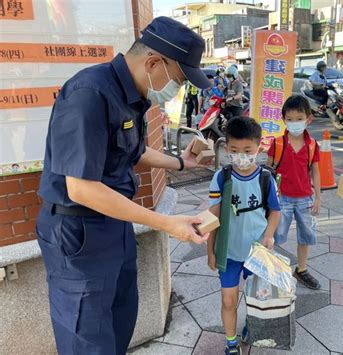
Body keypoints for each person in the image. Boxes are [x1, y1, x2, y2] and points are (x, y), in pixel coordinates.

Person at [36, 17, 212, 355]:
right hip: (76, 231)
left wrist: (180, 163)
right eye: (178, 79)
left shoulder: (133, 94)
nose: (177, 90)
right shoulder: (89, 94)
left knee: (119, 320)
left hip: (114, 223)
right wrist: (166, 223)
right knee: (86, 337)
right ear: (153, 62)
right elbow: (82, 188)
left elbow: (133, 150)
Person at [207, 117, 281, 355]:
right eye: (234, 150)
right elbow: (213, 217)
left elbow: (275, 212)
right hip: (228, 253)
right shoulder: (221, 178)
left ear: (258, 147)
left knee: (255, 298)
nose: (241, 156)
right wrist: (211, 250)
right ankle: (231, 342)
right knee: (228, 300)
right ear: (226, 148)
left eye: (247, 150)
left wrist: (269, 235)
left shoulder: (266, 178)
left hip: (256, 253)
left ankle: (251, 324)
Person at [267, 95, 322, 290]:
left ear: (308, 119)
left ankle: (302, 269)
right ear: (283, 119)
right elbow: (268, 171)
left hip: (305, 197)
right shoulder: (278, 143)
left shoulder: (313, 145)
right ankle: (273, 267)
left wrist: (318, 198)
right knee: (275, 234)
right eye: (289, 119)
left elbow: (315, 171)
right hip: (281, 199)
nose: (294, 123)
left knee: (306, 234)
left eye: (299, 118)